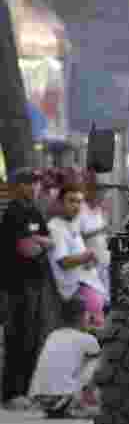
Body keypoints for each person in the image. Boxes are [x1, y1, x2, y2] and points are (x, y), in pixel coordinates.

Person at [0, 168, 54, 410]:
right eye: (29, 183)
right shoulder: (13, 212)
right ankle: (12, 393)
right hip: (15, 285)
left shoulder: (34, 211)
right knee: (17, 338)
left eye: (36, 183)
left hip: (35, 283)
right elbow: (25, 249)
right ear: (18, 186)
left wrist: (39, 243)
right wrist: (41, 244)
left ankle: (27, 390)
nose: (34, 187)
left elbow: (48, 241)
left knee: (32, 338)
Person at [27, 295, 101, 419]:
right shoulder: (86, 339)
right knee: (100, 360)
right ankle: (82, 402)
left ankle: (66, 404)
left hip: (41, 399)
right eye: (88, 315)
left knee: (79, 361)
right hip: (62, 398)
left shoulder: (53, 335)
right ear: (81, 317)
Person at [47, 183, 108, 328]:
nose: (76, 206)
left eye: (79, 202)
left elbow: (78, 257)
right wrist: (88, 256)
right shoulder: (56, 227)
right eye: (71, 201)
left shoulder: (71, 224)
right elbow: (63, 262)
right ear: (60, 203)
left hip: (88, 298)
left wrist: (89, 261)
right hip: (74, 300)